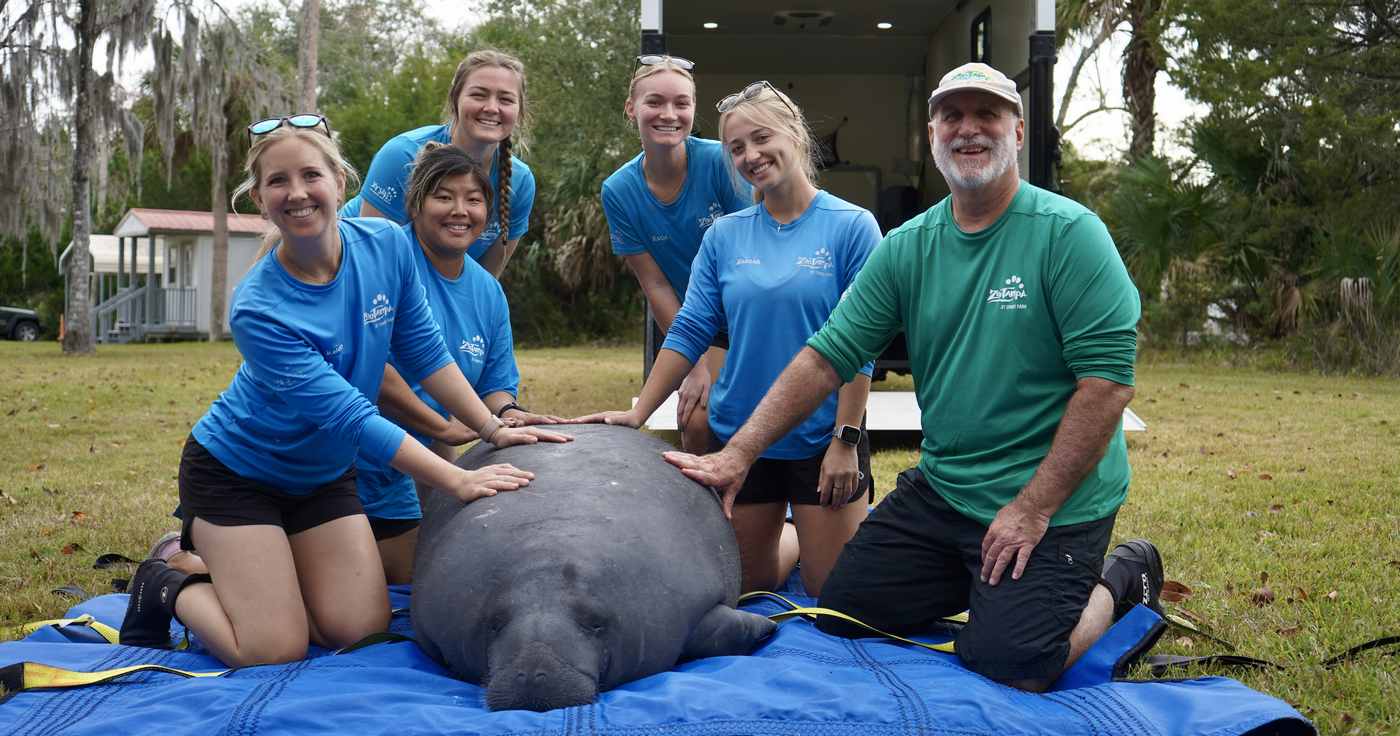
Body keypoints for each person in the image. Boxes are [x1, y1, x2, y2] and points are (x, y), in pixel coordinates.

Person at [664, 63, 1163, 692]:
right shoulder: (908, 246)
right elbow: (827, 355)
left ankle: (1121, 577)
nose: (968, 130)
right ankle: (986, 582)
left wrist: (1031, 511)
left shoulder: (1070, 235)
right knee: (843, 611)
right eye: (952, 116)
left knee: (1012, 660)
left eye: (987, 115)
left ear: (1016, 129)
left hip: (1051, 504)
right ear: (932, 135)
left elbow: (1108, 385)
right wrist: (739, 451)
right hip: (948, 490)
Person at [118, 117, 569, 667]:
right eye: (278, 181)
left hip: (322, 478)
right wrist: (457, 478)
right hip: (238, 477)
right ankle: (169, 580)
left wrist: (493, 428)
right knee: (271, 647)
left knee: (357, 629)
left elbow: (428, 354)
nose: (298, 192)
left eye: (312, 174)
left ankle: (256, 570)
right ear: (259, 199)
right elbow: (353, 417)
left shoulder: (386, 245)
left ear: (339, 181)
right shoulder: (258, 307)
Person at [577, 81, 880, 597]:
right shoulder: (725, 235)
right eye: (736, 148)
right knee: (746, 587)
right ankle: (792, 535)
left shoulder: (853, 226)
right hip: (739, 438)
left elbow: (863, 345)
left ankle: (824, 535)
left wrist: (845, 441)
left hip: (821, 440)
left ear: (795, 133)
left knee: (835, 595)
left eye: (761, 138)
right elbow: (692, 327)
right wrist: (640, 412)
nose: (750, 156)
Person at [359, 142, 564, 583]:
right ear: (415, 205)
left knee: (416, 584)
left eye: (473, 199)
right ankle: (187, 557)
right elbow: (371, 369)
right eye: (444, 196)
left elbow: (493, 384)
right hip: (356, 455)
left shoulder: (487, 291)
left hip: (422, 468)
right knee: (335, 595)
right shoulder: (386, 259)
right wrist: (441, 428)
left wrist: (509, 415)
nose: (459, 210)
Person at [601, 55, 751, 452]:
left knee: (732, 414)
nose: (669, 114)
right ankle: (705, 511)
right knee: (696, 421)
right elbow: (656, 286)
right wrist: (696, 364)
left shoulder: (720, 161)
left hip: (747, 309)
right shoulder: (619, 190)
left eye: (681, 103)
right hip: (693, 320)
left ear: (693, 109)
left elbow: (753, 253)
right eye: (655, 102)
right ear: (631, 108)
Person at [341, 49, 534, 278]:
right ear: (455, 99)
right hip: (349, 268)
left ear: (519, 111)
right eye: (479, 95)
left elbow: (484, 281)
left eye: (505, 99)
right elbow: (370, 258)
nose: (492, 108)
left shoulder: (519, 182)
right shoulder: (402, 155)